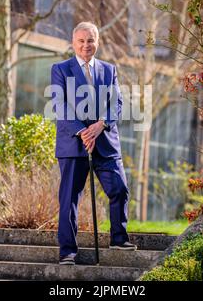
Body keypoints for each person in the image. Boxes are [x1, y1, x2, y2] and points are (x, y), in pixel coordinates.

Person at [50, 22, 136, 266]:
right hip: (73, 145)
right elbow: (60, 105)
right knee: (69, 200)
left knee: (119, 188)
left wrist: (101, 125)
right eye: (81, 41)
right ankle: (68, 251)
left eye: (90, 40)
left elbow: (117, 103)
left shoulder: (109, 70)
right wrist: (82, 131)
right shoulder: (61, 69)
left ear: (97, 41)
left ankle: (119, 238)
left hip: (105, 142)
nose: (86, 45)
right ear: (73, 42)